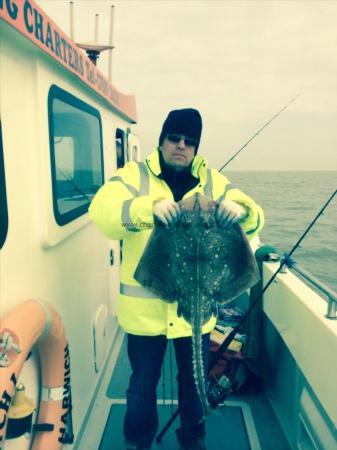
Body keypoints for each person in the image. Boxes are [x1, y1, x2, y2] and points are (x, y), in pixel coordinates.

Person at [89, 108, 264, 450]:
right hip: (144, 317)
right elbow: (102, 212)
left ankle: (194, 438)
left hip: (197, 309)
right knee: (141, 386)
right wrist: (146, 209)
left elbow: (255, 217)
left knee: (192, 383)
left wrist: (242, 211)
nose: (181, 146)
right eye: (174, 138)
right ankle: (137, 440)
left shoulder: (214, 182)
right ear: (162, 140)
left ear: (196, 148)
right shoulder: (133, 176)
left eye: (190, 141)